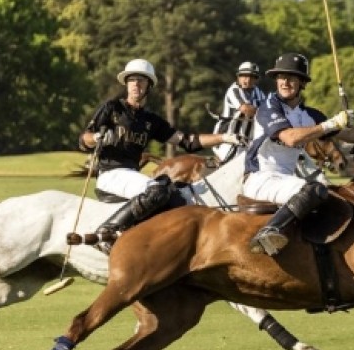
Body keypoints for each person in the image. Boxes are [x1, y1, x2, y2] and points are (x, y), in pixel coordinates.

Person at [243, 53, 354, 256]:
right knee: (314, 190)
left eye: (291, 78)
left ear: (302, 83)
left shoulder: (309, 115)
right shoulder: (268, 107)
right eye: (281, 77)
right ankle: (269, 231)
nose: (285, 82)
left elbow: (349, 134)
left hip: (284, 179)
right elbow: (290, 138)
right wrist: (330, 124)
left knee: (332, 195)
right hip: (260, 179)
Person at [82, 58, 245, 243]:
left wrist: (224, 137)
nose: (136, 84)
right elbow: (84, 139)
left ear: (149, 86)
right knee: (157, 190)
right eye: (132, 79)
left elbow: (188, 141)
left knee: (177, 196)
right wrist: (96, 138)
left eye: (141, 80)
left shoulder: (151, 120)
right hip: (110, 174)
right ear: (126, 84)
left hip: (131, 174)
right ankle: (107, 232)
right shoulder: (112, 108)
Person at [212, 61, 267, 161]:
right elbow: (245, 109)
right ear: (238, 77)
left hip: (248, 139)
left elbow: (267, 107)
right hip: (228, 136)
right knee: (228, 164)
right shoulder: (234, 90)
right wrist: (267, 114)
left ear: (256, 79)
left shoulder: (258, 92)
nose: (248, 80)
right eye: (244, 76)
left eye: (252, 77)